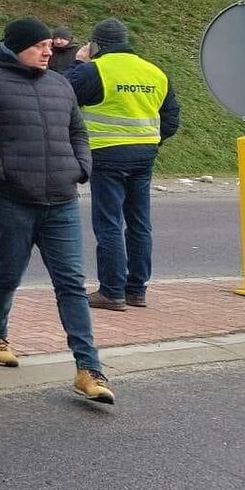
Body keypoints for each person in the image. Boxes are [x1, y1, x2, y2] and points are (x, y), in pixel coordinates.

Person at [0, 16, 114, 404]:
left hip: (61, 200)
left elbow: (78, 131)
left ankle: (89, 368)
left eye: (49, 47)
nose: (47, 52)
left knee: (71, 283)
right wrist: (2, 169)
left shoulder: (60, 85)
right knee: (9, 271)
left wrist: (81, 166)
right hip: (11, 199)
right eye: (39, 46)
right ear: (16, 46)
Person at [67, 17, 180, 311]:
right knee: (140, 223)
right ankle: (136, 290)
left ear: (96, 45)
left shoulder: (95, 70)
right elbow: (171, 119)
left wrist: (79, 63)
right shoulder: (155, 72)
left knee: (109, 223)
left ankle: (111, 291)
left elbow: (61, 94)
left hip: (106, 154)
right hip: (144, 154)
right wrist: (151, 142)